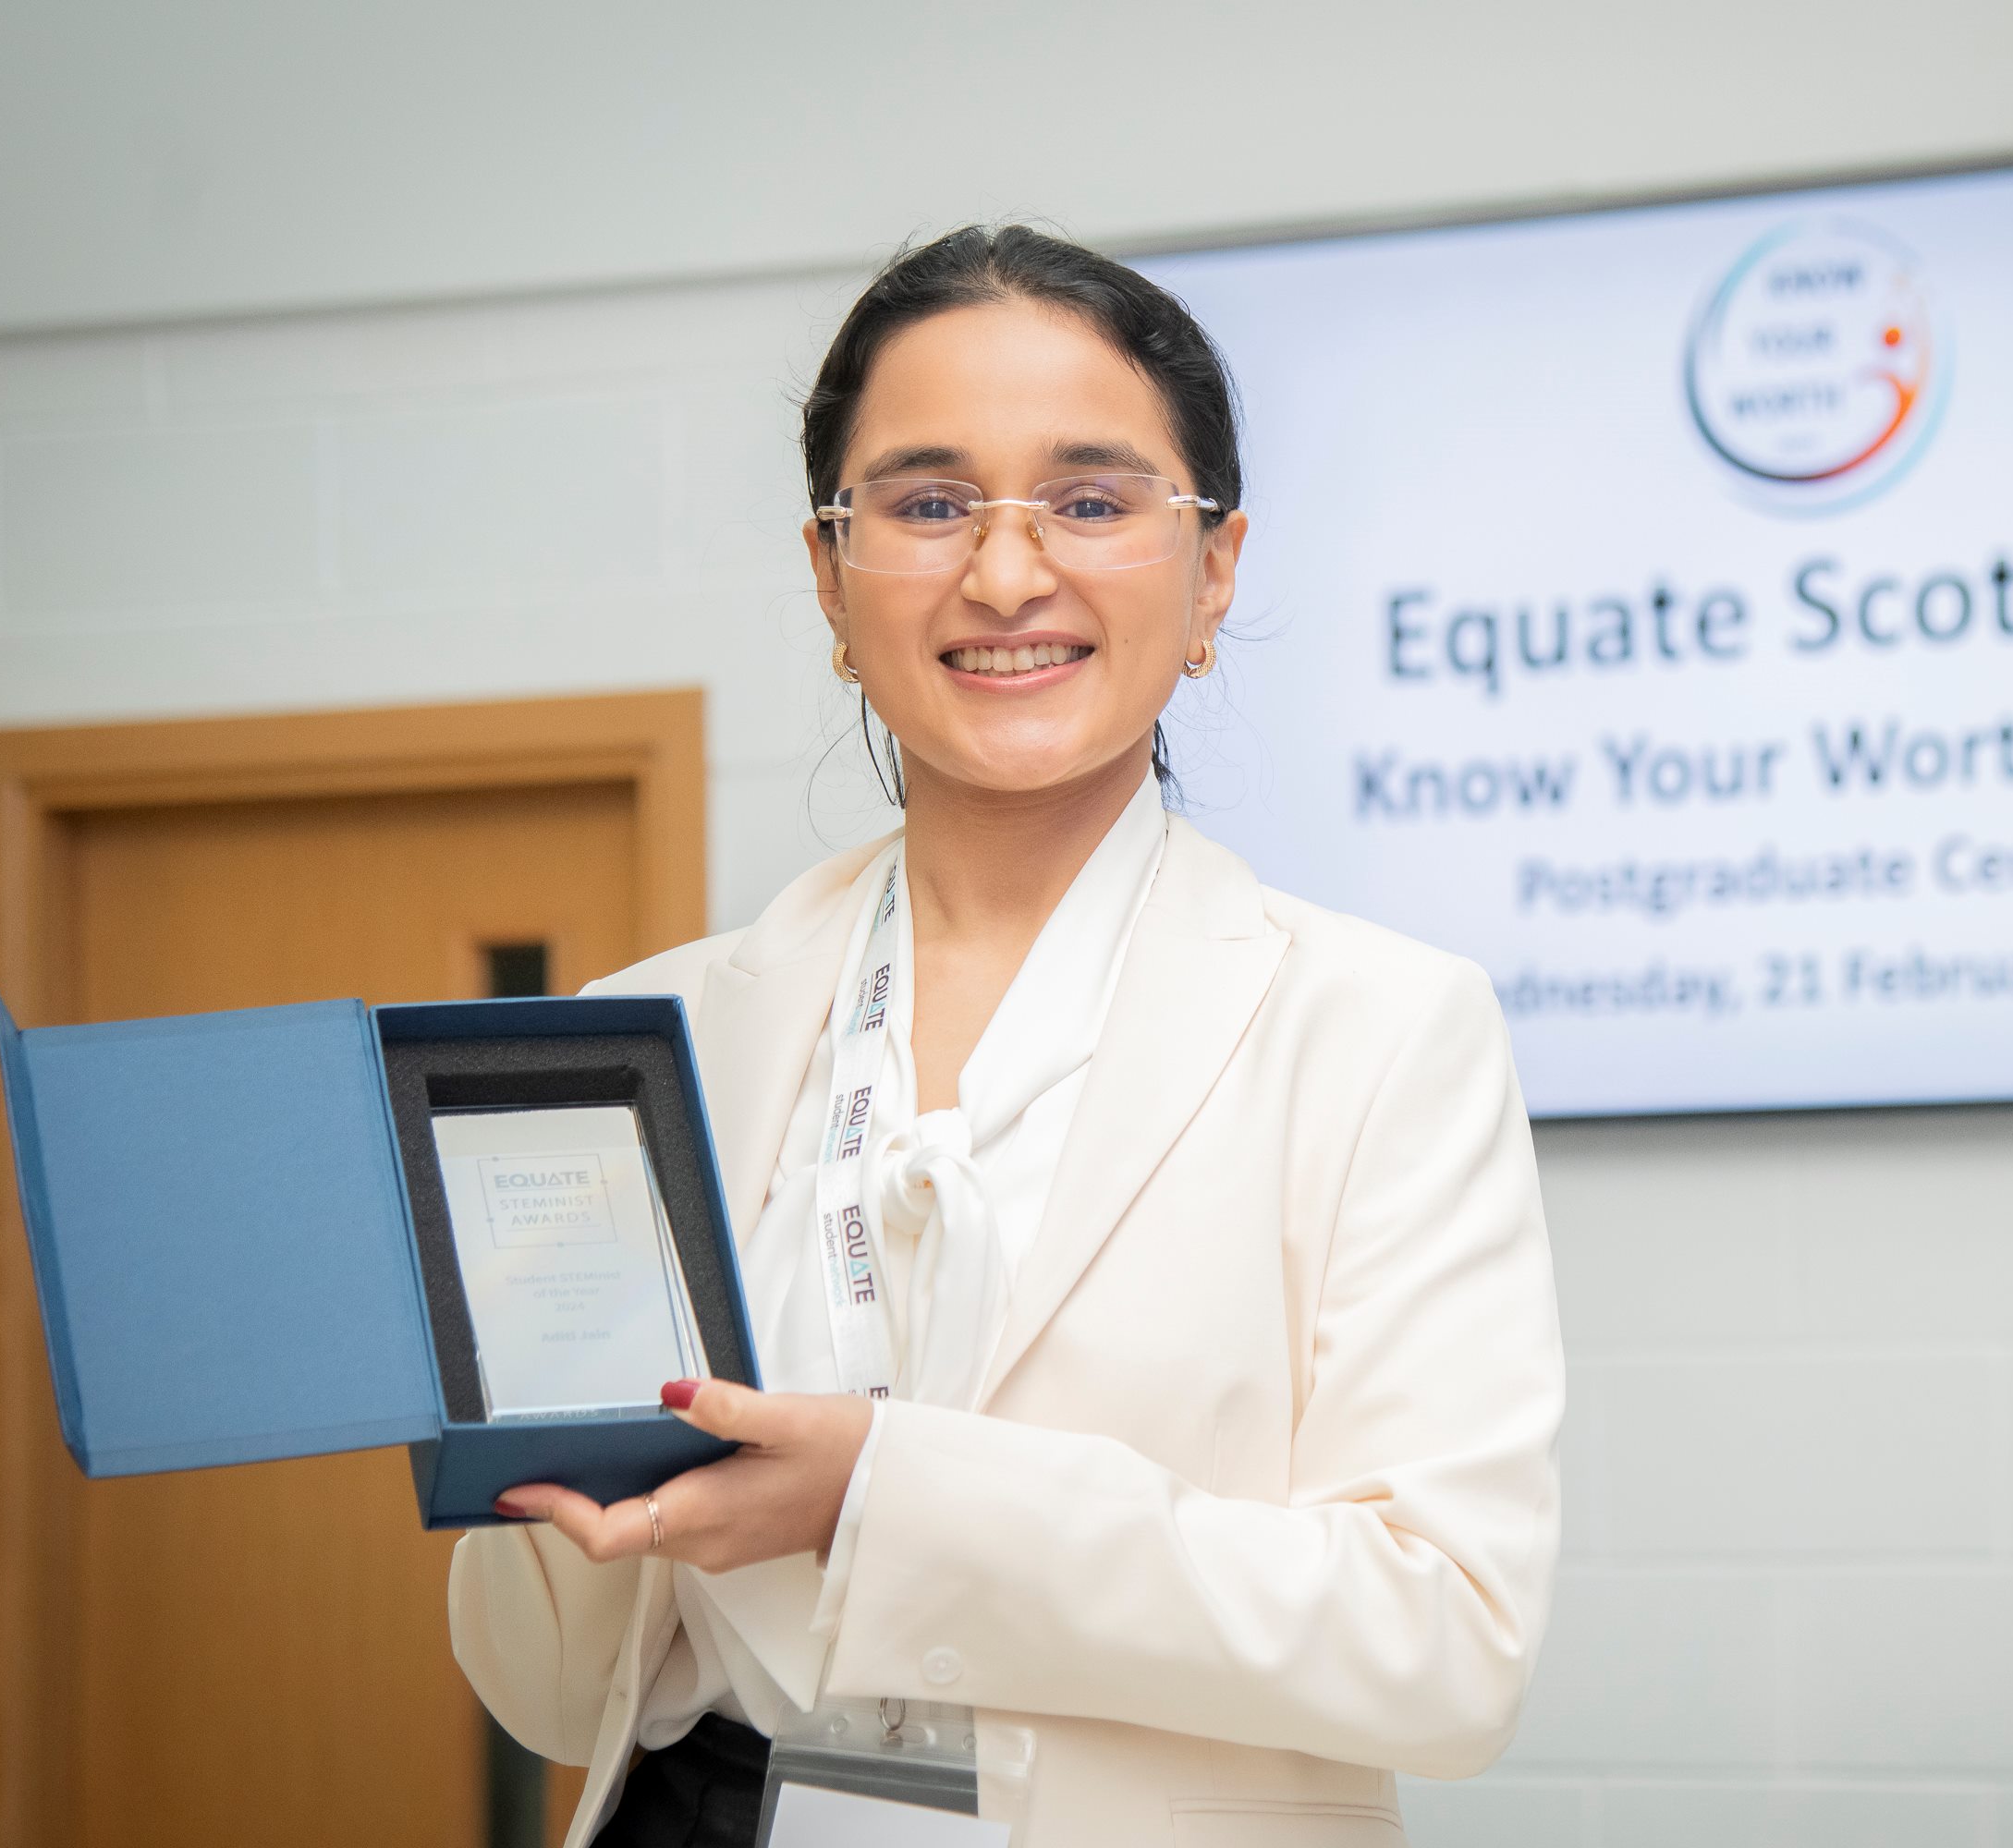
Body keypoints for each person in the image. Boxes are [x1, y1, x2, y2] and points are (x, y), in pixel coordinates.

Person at [451, 225, 1565, 1848]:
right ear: (832, 576)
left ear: (1218, 569)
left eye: (1093, 501)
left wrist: (882, 1502)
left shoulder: (1380, 1030)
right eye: (925, 502)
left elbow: (1448, 1648)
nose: (1006, 572)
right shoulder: (647, 1032)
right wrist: (498, 1422)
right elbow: (553, 1696)